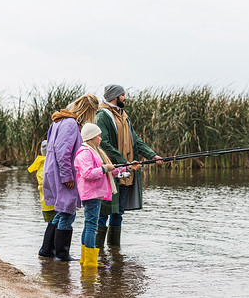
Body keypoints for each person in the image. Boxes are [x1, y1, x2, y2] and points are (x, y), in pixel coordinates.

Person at [95, 84, 163, 248]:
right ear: (114, 96)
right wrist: (124, 163)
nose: (125, 98)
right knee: (103, 213)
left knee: (118, 213)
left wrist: (152, 155)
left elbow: (136, 140)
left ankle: (114, 251)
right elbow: (103, 143)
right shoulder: (102, 116)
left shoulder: (124, 115)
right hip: (110, 172)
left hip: (126, 172)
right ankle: (97, 252)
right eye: (123, 95)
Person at [74, 123, 141, 267]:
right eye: (98, 136)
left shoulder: (95, 151)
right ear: (91, 137)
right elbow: (87, 173)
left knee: (89, 225)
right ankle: (90, 262)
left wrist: (128, 166)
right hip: (91, 194)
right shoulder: (85, 152)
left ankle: (86, 260)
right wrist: (104, 168)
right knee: (91, 226)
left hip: (95, 194)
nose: (100, 138)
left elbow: (111, 170)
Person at [43, 94, 99, 261]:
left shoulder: (59, 121)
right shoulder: (70, 124)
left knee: (60, 211)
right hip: (62, 172)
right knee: (68, 211)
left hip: (53, 170)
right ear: (87, 110)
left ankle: (47, 250)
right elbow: (63, 152)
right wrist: (67, 176)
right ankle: (61, 254)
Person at [27, 140, 58, 257]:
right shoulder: (46, 164)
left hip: (48, 200)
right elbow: (46, 183)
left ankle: (50, 249)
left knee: (54, 223)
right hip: (49, 201)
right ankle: (45, 250)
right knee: (53, 223)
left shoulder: (44, 163)